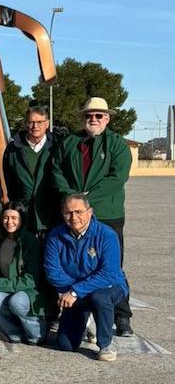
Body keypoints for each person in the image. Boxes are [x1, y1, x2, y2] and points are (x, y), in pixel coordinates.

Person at [51, 97, 133, 336]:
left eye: (99, 116)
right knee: (75, 263)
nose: (93, 119)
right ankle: (75, 309)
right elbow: (57, 169)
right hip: (75, 214)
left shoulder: (117, 144)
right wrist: (72, 198)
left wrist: (86, 200)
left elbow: (117, 177)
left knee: (113, 267)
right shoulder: (70, 142)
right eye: (89, 116)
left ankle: (122, 315)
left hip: (107, 214)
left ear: (107, 118)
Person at [43, 192, 128, 361]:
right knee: (65, 345)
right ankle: (88, 322)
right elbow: (53, 271)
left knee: (99, 297)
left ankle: (106, 344)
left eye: (78, 212)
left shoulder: (107, 235)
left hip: (108, 288)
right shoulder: (55, 236)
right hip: (74, 293)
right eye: (68, 212)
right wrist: (75, 292)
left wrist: (76, 291)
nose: (73, 217)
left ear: (90, 212)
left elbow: (108, 273)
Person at [0, 204, 44, 345]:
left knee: (16, 302)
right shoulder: (0, 241)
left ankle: (38, 332)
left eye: (14, 218)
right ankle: (14, 333)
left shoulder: (31, 242)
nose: (9, 222)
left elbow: (30, 280)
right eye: (6, 218)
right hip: (10, 286)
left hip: (31, 290)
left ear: (22, 219)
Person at [3, 104, 59, 237]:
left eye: (39, 122)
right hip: (24, 216)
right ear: (25, 124)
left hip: (51, 217)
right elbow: (8, 181)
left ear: (47, 124)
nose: (35, 126)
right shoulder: (13, 150)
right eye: (31, 122)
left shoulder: (57, 147)